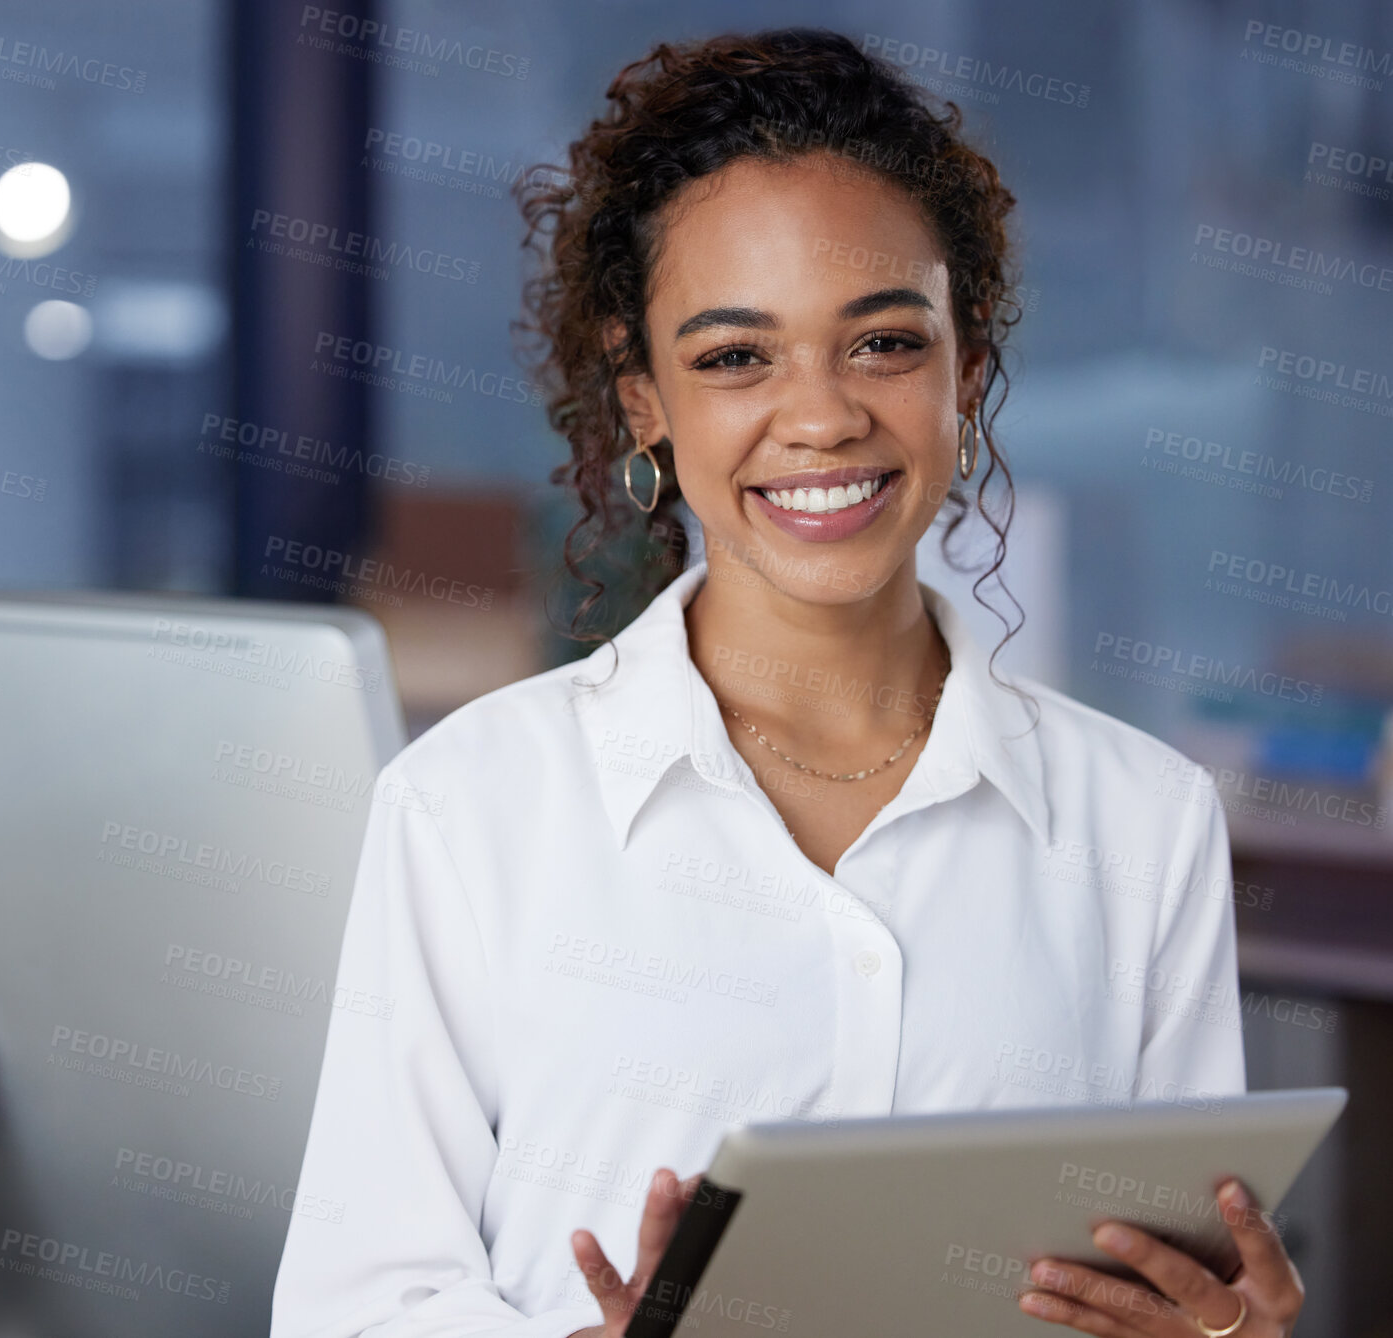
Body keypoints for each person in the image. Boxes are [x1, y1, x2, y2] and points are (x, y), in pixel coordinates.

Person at [270, 27, 1306, 1338]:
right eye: (732, 356)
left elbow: (1171, 1280)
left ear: (963, 370)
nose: (818, 417)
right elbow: (350, 1311)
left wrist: (1230, 1333)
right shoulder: (468, 809)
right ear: (642, 395)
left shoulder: (1142, 820)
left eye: (880, 343)